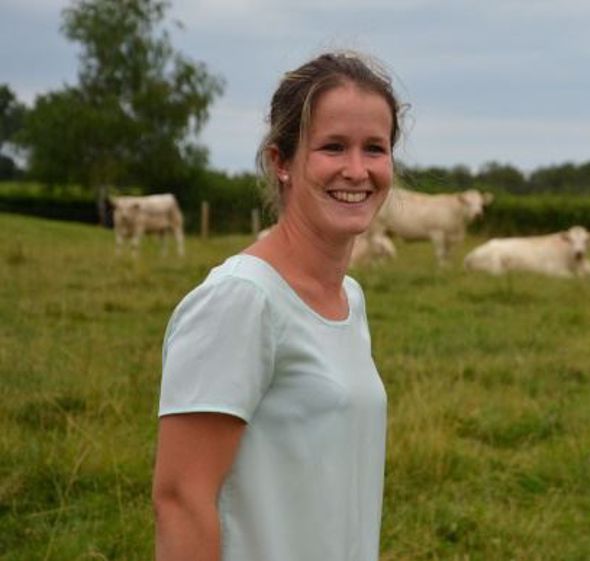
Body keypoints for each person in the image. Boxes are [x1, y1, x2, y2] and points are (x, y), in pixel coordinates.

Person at [152, 51, 403, 561]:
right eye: (333, 147)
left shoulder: (349, 298)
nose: (357, 170)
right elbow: (180, 501)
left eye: (374, 148)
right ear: (281, 162)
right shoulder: (241, 300)